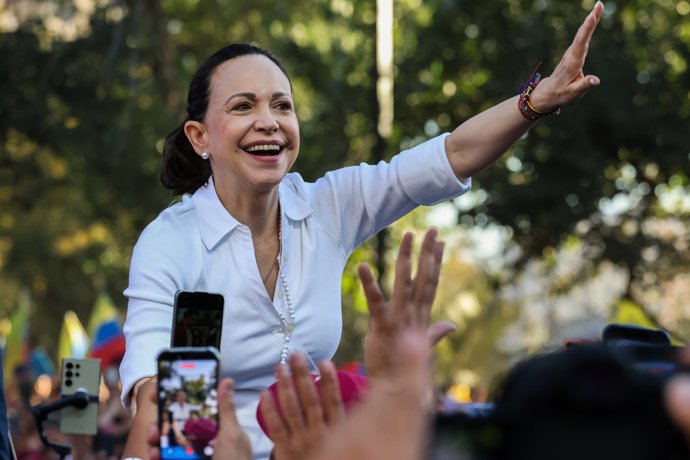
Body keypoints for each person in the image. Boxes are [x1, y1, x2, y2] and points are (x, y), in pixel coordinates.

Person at [120, 2, 605, 458]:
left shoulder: (329, 205)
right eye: (243, 107)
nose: (268, 122)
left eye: (282, 106)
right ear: (199, 135)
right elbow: (152, 401)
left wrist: (534, 104)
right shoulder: (169, 244)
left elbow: (450, 156)